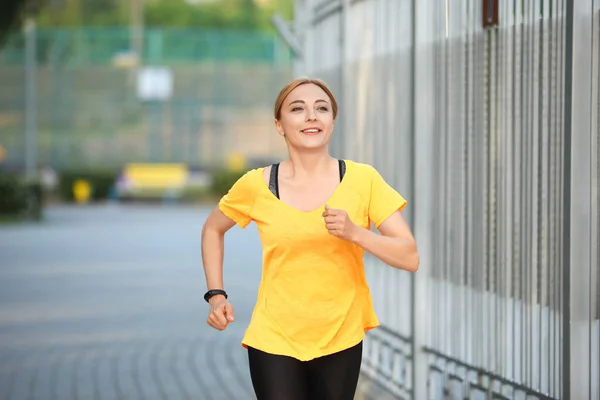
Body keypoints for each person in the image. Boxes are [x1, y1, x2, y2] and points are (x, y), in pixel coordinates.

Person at [200, 77, 419, 400]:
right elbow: (212, 229)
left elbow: (409, 256)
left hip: (340, 334)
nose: (311, 116)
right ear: (280, 125)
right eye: (298, 109)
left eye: (322, 109)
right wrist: (216, 295)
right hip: (274, 335)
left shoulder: (363, 180)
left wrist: (355, 233)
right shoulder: (256, 184)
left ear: (332, 121)